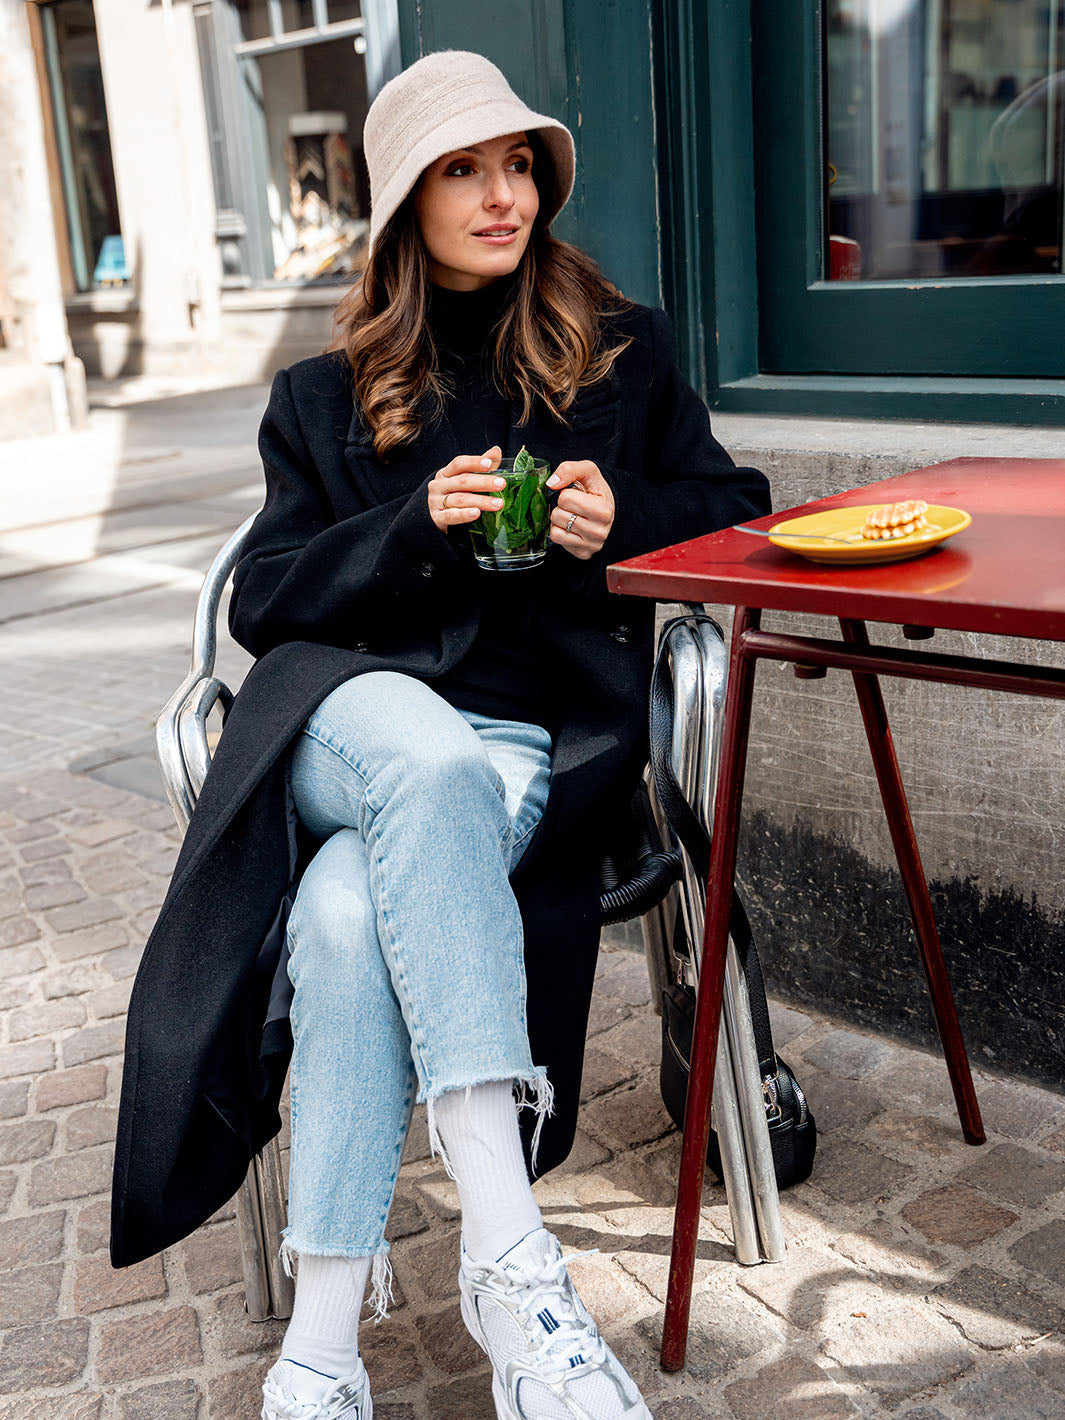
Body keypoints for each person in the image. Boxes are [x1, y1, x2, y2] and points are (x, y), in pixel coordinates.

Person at [109, 50, 770, 1420]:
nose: (499, 193)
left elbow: (736, 509)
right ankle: (507, 1251)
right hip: (346, 730)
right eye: (462, 169)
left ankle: (322, 1349)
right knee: (417, 752)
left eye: (516, 162)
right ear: (406, 200)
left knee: (352, 918)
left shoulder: (622, 351)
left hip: (522, 750)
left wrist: (620, 527)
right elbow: (267, 597)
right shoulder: (323, 396)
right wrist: (412, 529)